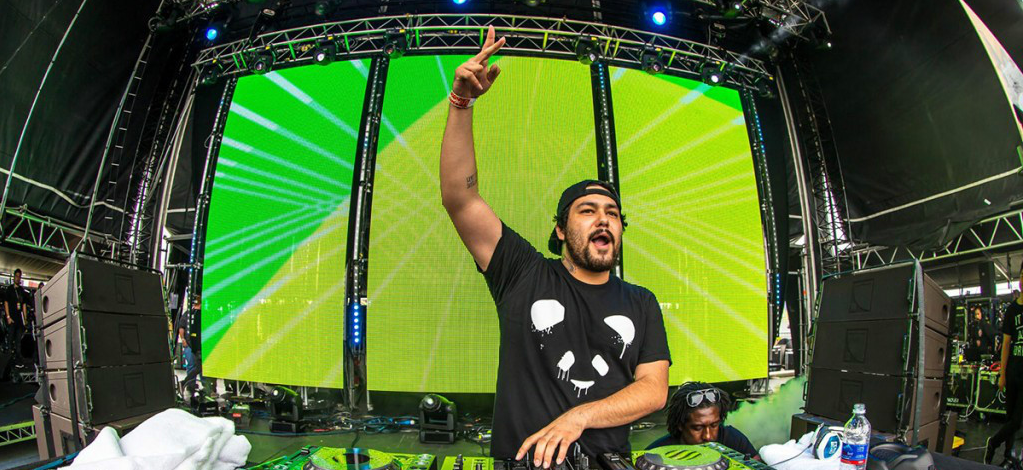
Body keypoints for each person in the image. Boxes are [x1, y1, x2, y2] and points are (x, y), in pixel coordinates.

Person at [440, 26, 671, 467]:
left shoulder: (641, 302)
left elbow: (653, 390)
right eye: (587, 210)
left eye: (612, 213)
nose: (603, 219)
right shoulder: (522, 273)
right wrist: (461, 103)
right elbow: (460, 198)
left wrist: (578, 418)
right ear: (561, 229)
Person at [646, 383, 760, 460]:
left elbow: (757, 464)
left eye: (714, 425)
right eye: (698, 428)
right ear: (680, 425)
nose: (708, 436)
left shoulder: (734, 440)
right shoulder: (656, 454)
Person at [987, 267, 1023, 465]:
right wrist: (1002, 374)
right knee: (1010, 418)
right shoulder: (1011, 310)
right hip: (1012, 371)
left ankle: (993, 443)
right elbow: (1006, 344)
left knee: (1017, 421)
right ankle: (1007, 455)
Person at [176, 295, 203, 392]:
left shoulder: (202, 314)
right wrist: (183, 339)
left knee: (199, 367)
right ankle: (189, 385)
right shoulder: (188, 314)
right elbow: (181, 327)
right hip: (190, 344)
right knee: (193, 366)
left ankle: (189, 383)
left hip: (198, 345)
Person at [3, 269, 30, 356]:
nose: (18, 278)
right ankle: (9, 355)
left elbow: (24, 305)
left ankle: (18, 356)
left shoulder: (21, 290)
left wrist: (25, 319)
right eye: (16, 276)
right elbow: (6, 302)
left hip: (19, 319)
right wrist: (8, 316)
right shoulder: (10, 289)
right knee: (10, 338)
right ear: (14, 277)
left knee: (18, 340)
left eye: (19, 277)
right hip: (12, 318)